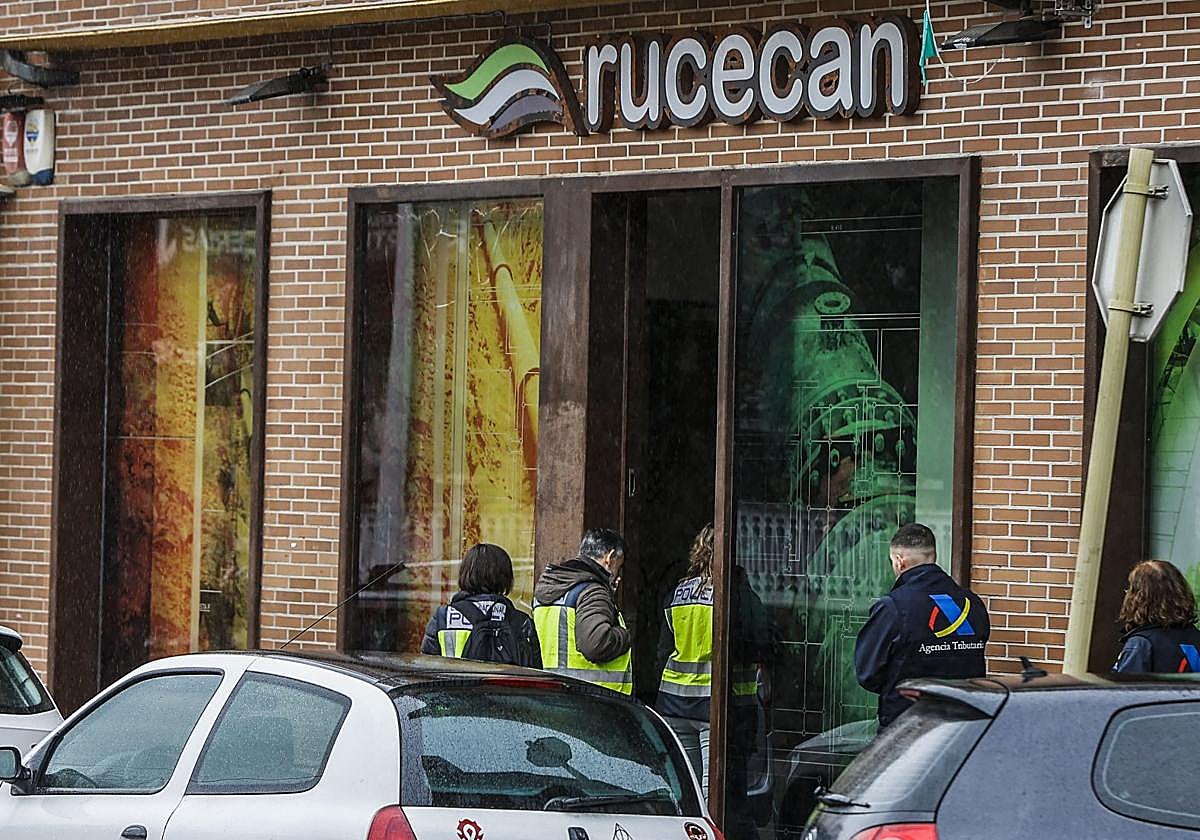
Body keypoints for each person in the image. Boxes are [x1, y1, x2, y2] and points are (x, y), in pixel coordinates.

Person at [854, 522, 990, 728]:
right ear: (933, 556)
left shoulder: (893, 607)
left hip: (908, 727)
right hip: (964, 726)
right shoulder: (971, 603)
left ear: (899, 561)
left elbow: (868, 673)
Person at [533, 528, 632, 694]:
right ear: (610, 557)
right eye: (619, 567)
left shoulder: (553, 587)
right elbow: (596, 644)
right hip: (589, 697)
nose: (618, 575)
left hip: (552, 693)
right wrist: (624, 635)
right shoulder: (593, 591)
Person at [421, 543, 540, 667]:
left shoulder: (444, 618)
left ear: (465, 574)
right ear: (506, 577)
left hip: (456, 680)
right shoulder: (521, 622)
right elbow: (536, 672)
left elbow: (427, 667)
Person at [1113, 559, 1200, 673]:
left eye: (1130, 589)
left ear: (1138, 598)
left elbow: (1128, 684)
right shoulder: (1196, 636)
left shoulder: (1141, 644)